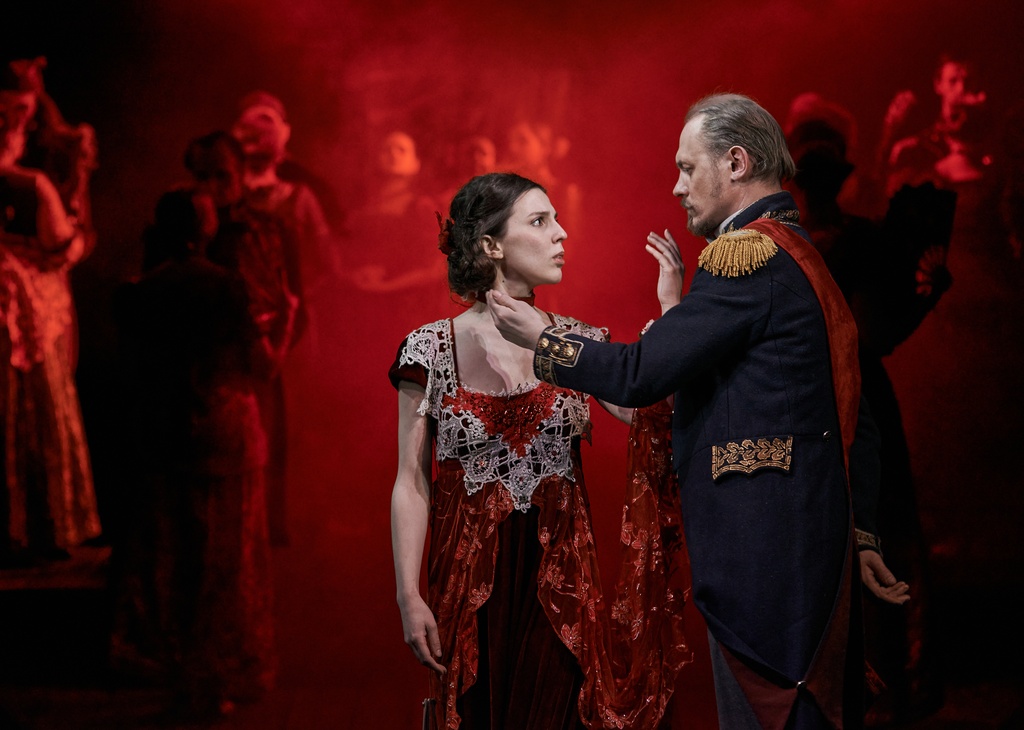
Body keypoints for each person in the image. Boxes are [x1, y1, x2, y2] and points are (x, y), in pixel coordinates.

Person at [488, 93, 910, 729]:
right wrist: (863, 530)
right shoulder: (798, 253)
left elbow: (639, 375)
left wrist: (544, 339)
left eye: (688, 168)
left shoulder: (749, 260)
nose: (677, 186)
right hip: (802, 549)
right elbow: (858, 414)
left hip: (766, 561)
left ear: (736, 162)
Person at [390, 172, 691, 729]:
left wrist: (671, 309)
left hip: (562, 596)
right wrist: (408, 594)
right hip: (468, 595)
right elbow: (411, 480)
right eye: (539, 221)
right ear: (491, 245)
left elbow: (655, 415)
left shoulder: (577, 345)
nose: (561, 233)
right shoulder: (428, 350)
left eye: (555, 219)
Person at [787, 116, 952, 724]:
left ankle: (880, 682)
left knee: (863, 526)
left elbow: (877, 331)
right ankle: (875, 682)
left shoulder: (805, 242)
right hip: (831, 398)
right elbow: (881, 330)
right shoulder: (808, 240)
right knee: (860, 528)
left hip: (832, 398)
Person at [111, 189, 277, 720]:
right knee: (223, 562)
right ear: (205, 228)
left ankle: (177, 670)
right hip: (226, 435)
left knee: (176, 559)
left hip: (163, 435)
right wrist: (288, 323)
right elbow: (261, 366)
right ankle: (217, 674)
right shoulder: (228, 286)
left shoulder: (138, 290)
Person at [1, 64, 100, 565]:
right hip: (19, 308)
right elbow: (59, 242)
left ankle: (32, 525)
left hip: (32, 308)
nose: (13, 123)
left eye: (21, 112)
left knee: (30, 407)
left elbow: (64, 241)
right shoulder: (27, 181)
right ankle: (23, 527)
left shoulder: (40, 171)